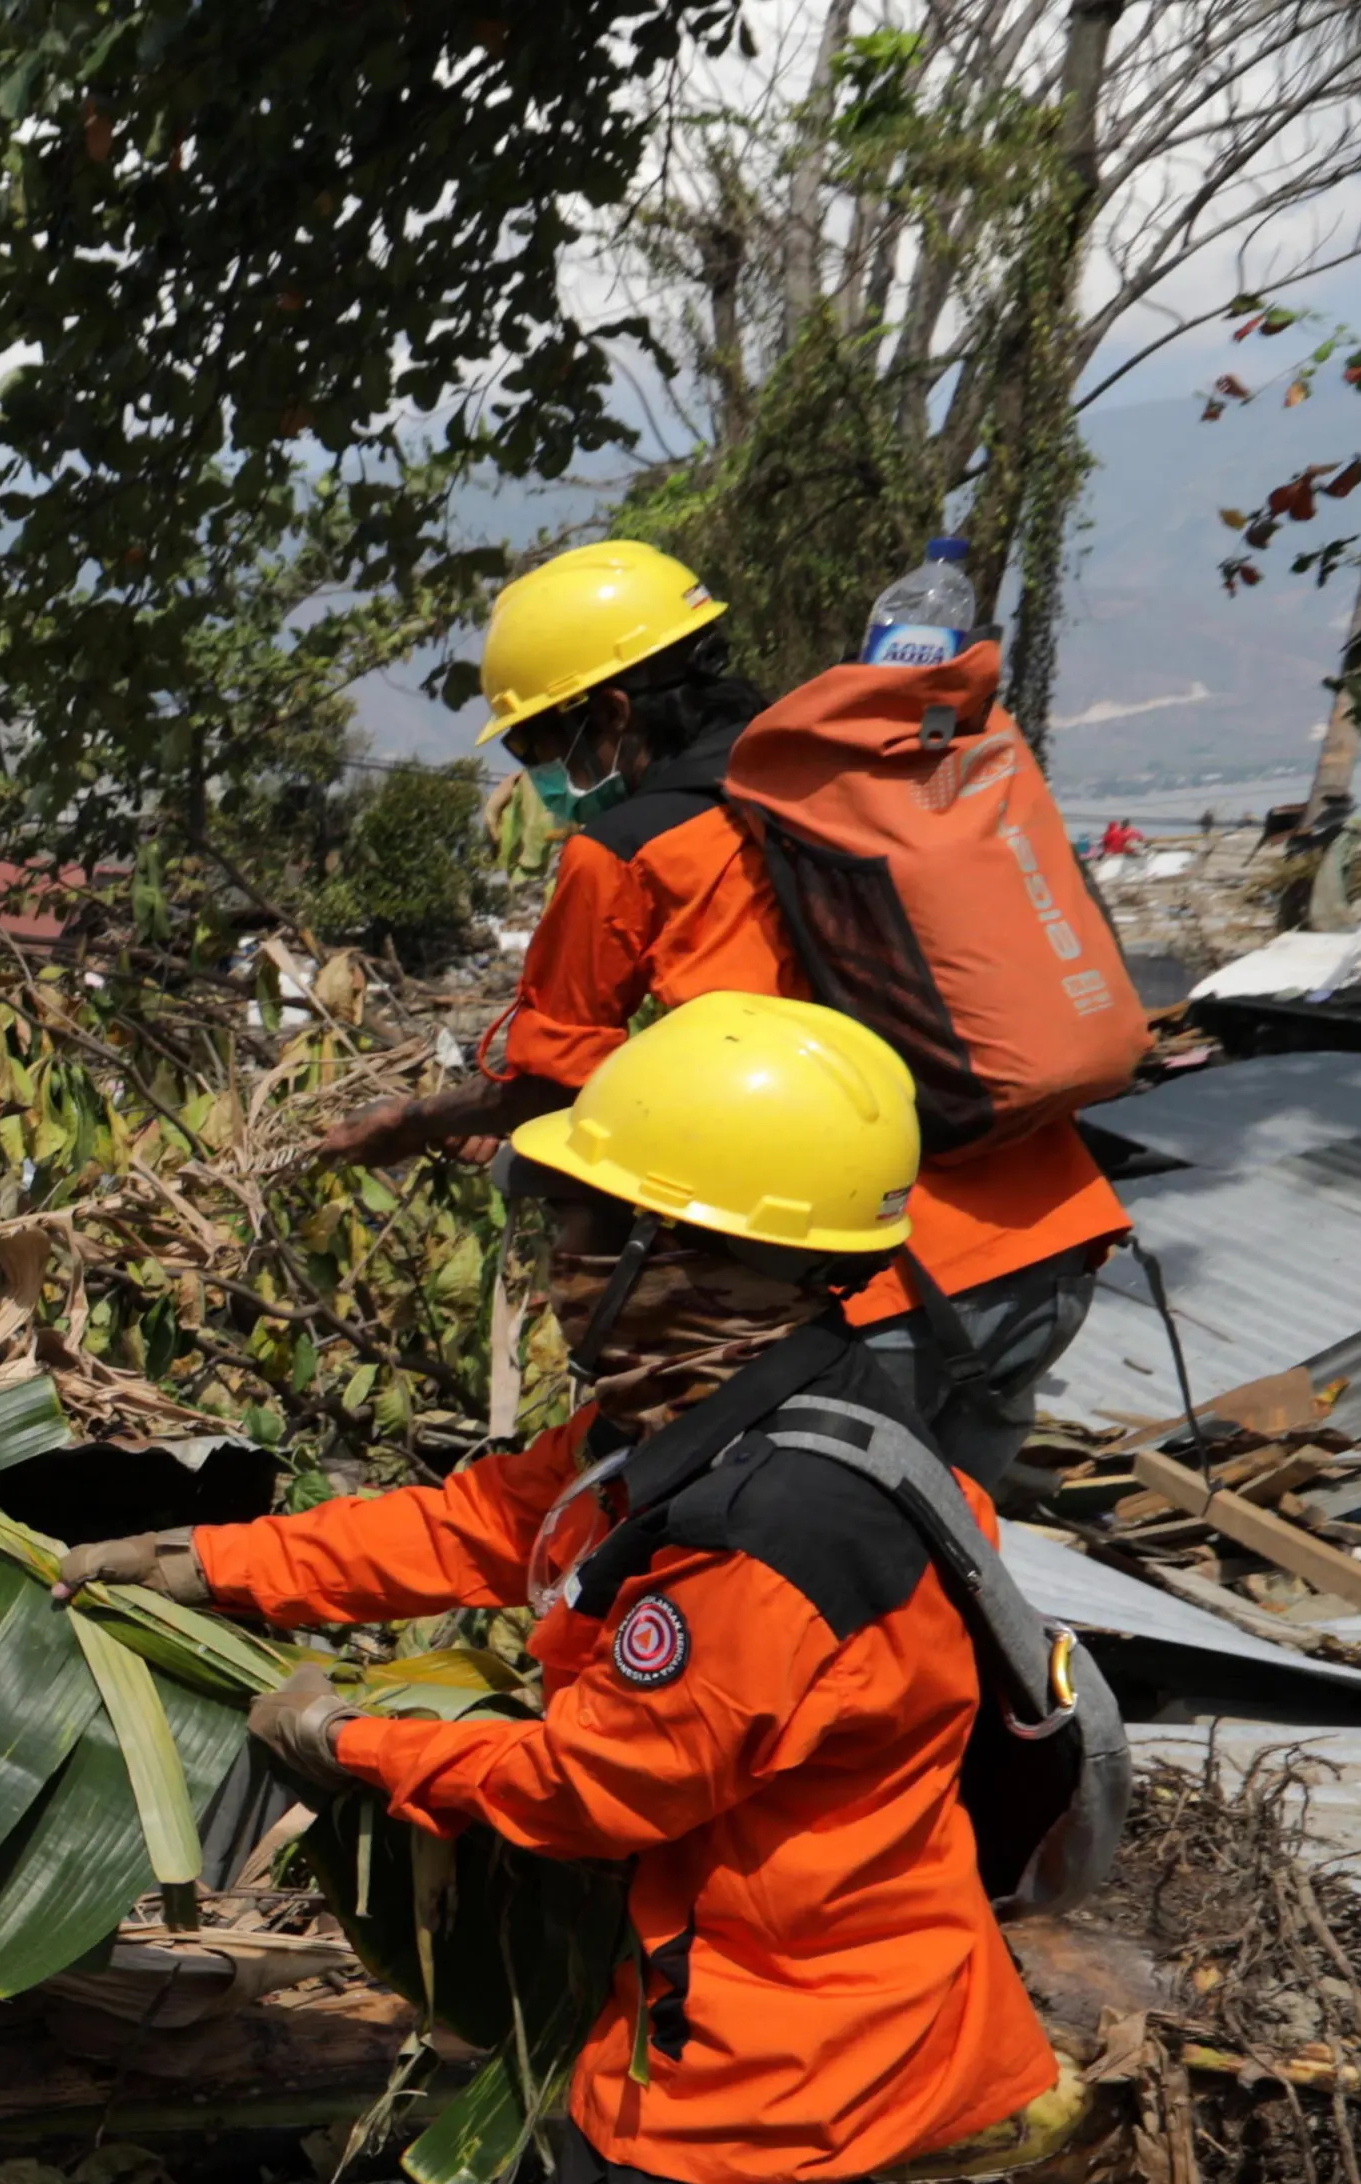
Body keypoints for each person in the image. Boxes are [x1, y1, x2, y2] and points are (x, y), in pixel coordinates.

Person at [70, 992, 1058, 2184]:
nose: (555, 1259)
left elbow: (608, 1779)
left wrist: (353, 1746)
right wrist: (212, 1565)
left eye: (591, 1227)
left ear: (697, 1252)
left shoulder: (774, 1528)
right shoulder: (716, 1424)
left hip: (784, 2034)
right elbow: (473, 1525)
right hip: (804, 2000)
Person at [325, 541, 1130, 1481]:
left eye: (539, 741)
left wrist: (409, 1124)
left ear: (613, 710)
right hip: (1051, 1251)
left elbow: (545, 1077)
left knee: (795, 1582)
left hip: (880, 1287)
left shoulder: (627, 846)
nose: (538, 771)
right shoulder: (839, 788)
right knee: (937, 1584)